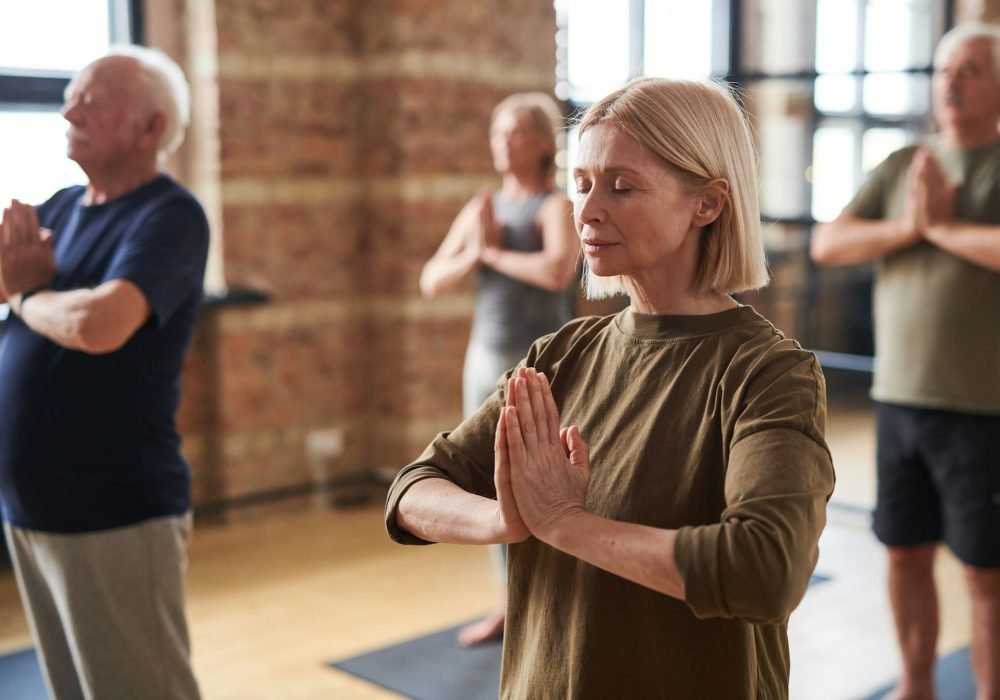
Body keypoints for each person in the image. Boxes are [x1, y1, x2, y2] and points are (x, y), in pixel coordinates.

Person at [387, 77, 835, 698]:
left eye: (622, 187)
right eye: (581, 184)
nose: (589, 211)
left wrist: (564, 524)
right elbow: (411, 489)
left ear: (707, 203)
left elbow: (766, 570)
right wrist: (506, 520)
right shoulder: (559, 356)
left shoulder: (768, 373)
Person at [0, 45, 207, 699]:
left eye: (93, 98)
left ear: (150, 127)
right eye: (71, 95)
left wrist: (25, 296)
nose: (69, 108)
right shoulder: (58, 208)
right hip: (31, 510)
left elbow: (99, 324)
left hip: (115, 511)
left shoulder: (171, 216)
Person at [811, 21, 1000, 700]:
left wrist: (945, 229)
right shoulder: (903, 167)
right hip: (900, 401)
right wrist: (909, 227)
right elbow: (828, 244)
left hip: (982, 410)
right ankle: (915, 685)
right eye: (945, 70)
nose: (952, 82)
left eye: (972, 69)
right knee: (904, 553)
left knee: (985, 572)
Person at [419, 92, 578, 645]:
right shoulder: (482, 207)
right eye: (495, 133)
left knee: (544, 480)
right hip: (484, 357)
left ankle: (553, 603)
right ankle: (509, 604)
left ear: (541, 142)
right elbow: (431, 279)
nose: (500, 143)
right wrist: (471, 254)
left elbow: (557, 270)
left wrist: (490, 256)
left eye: (513, 133)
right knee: (491, 483)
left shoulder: (556, 206)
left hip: (542, 363)